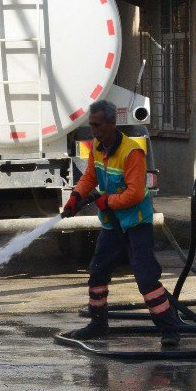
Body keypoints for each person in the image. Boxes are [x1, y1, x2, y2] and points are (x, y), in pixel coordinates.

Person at [61, 100, 182, 347]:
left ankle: (170, 329)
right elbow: (90, 176)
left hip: (136, 224)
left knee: (146, 279)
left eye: (98, 125)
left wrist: (108, 201)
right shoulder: (98, 146)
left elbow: (136, 193)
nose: (94, 130)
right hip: (112, 224)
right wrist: (76, 197)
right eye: (91, 125)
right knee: (97, 272)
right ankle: (98, 324)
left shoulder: (131, 152)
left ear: (112, 123)